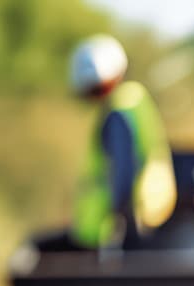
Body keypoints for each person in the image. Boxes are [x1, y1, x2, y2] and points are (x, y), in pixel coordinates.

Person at [67, 36, 175, 250]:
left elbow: (123, 171)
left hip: (125, 222)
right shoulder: (133, 99)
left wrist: (118, 222)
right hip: (148, 209)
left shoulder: (118, 112)